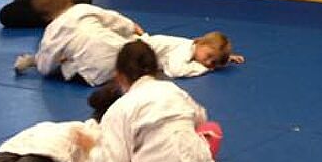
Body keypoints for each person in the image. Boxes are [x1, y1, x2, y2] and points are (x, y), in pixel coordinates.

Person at [73, 40, 223, 162]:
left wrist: (90, 150)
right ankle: (191, 161)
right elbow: (201, 118)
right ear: (155, 71)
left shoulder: (119, 108)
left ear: (119, 76)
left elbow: (110, 161)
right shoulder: (174, 90)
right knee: (212, 128)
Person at [84, 30, 245, 121]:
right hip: (131, 55)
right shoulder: (184, 49)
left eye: (213, 61)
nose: (208, 62)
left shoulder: (194, 48)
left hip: (137, 55)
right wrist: (204, 69)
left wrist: (226, 59)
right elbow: (175, 70)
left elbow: (208, 54)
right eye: (209, 56)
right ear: (200, 43)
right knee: (104, 74)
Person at [12, 0, 145, 86]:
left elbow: (46, 67)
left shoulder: (53, 31)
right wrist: (131, 26)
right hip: (125, 57)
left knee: (66, 65)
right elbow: (113, 19)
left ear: (44, 17)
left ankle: (32, 60)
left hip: (99, 72)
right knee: (116, 38)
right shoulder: (84, 8)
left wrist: (39, 62)